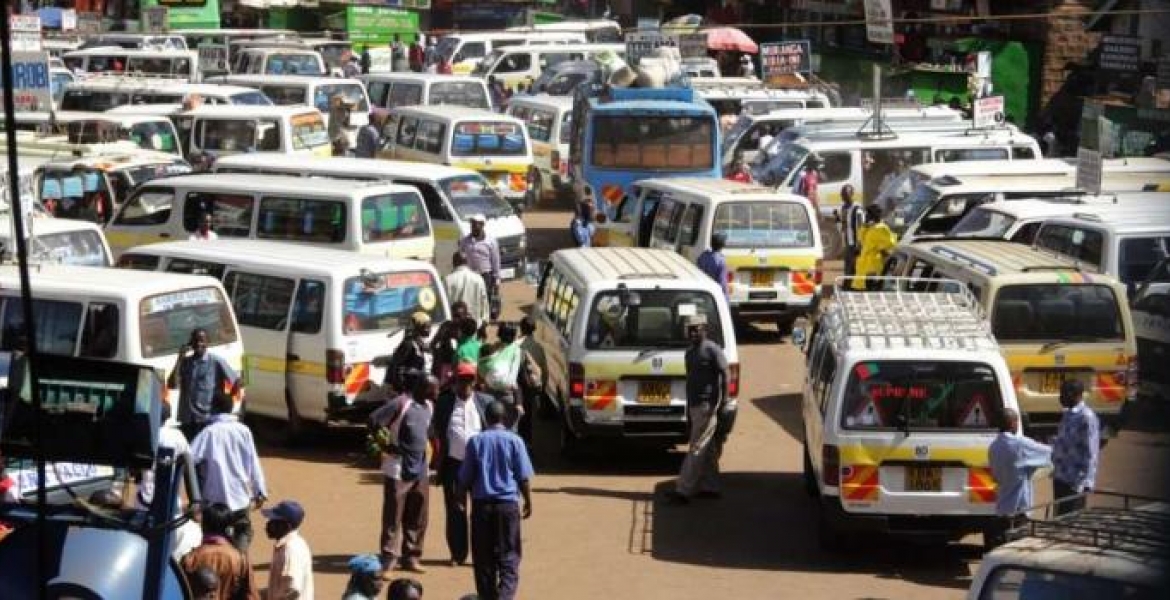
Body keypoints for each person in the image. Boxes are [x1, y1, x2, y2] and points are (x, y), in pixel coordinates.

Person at [458, 401, 534, 600]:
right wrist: (528, 501)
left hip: (482, 507)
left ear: (486, 418)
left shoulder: (475, 442)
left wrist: (460, 498)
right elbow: (523, 477)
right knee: (509, 555)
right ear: (505, 418)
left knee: (483, 558)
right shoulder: (515, 441)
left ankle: (487, 596)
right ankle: (505, 596)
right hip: (507, 506)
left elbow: (465, 477)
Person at [371, 376, 437, 575]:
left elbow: (430, 434)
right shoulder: (401, 404)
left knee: (418, 516)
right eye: (434, 389)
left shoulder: (429, 407)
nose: (437, 392)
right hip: (398, 469)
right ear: (423, 388)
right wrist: (386, 445)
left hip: (421, 470)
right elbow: (373, 420)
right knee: (393, 517)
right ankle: (388, 561)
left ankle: (411, 557)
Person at [189, 392, 267, 553]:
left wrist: (194, 497)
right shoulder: (244, 431)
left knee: (211, 540)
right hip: (240, 498)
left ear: (214, 408)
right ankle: (240, 565)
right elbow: (253, 462)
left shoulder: (208, 433)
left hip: (214, 501)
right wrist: (260, 491)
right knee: (243, 533)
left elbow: (189, 459)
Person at [430, 362, 492, 566]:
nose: (465, 384)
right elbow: (435, 429)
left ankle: (481, 554)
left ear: (475, 381)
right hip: (454, 466)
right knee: (456, 511)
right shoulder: (444, 403)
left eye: (469, 380)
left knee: (481, 512)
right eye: (461, 380)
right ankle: (458, 554)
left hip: (479, 468)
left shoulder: (485, 402)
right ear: (454, 382)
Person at [669, 314, 730, 504]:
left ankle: (683, 490)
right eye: (690, 329)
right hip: (695, 407)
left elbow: (726, 374)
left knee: (696, 447)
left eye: (697, 328)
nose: (693, 332)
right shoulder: (690, 353)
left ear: (705, 329)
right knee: (708, 448)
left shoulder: (712, 349)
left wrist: (723, 402)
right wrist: (688, 410)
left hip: (707, 406)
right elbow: (690, 382)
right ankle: (711, 487)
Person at [987, 408, 1052, 548]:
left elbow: (996, 476)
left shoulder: (993, 447)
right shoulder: (1020, 445)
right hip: (1018, 515)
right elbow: (1049, 454)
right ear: (1012, 423)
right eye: (1016, 421)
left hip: (1001, 511)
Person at [167, 328, 241, 441]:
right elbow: (171, 384)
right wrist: (179, 359)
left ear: (207, 343)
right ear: (190, 343)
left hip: (207, 418)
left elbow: (238, 381)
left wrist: (227, 400)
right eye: (195, 341)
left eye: (202, 341)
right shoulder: (186, 362)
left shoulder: (216, 361)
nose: (198, 344)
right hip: (187, 419)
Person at [180, 502, 261, 600]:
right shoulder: (240, 558)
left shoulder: (190, 558)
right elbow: (251, 595)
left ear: (204, 526)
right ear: (229, 529)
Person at [1051, 379, 1099, 516]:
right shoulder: (1067, 414)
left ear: (1073, 394)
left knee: (1071, 521)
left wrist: (1087, 482)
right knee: (1058, 519)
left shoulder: (1086, 418)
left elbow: (1091, 452)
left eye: (1063, 394)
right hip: (1061, 476)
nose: (1060, 397)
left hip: (1075, 482)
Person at [262, 500, 314, 600]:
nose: (267, 524)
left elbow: (293, 590)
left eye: (273, 521)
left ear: (286, 526)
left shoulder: (290, 550)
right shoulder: (292, 543)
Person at [459, 215, 502, 321]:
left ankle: (484, 319)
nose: (473, 227)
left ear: (482, 225)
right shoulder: (465, 241)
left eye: (475, 224)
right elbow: (461, 256)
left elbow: (495, 260)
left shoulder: (491, 241)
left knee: (484, 298)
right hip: (470, 275)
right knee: (471, 297)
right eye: (472, 224)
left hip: (485, 275)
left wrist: (497, 279)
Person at [480, 323, 523, 427]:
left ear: (499, 334)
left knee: (489, 426)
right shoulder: (516, 351)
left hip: (489, 392)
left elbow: (482, 367)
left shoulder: (490, 349)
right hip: (507, 394)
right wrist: (519, 402)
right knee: (510, 429)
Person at [381, 312, 433, 393]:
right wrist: (403, 390)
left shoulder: (422, 343)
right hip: (407, 389)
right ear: (418, 327)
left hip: (418, 387)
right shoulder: (408, 344)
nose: (429, 330)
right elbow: (398, 368)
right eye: (426, 327)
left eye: (430, 326)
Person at [851, 204, 897, 291]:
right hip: (864, 266)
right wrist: (865, 225)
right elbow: (861, 239)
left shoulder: (881, 229)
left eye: (868, 214)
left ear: (874, 215)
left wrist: (882, 258)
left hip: (872, 268)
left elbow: (888, 248)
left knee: (870, 292)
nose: (866, 216)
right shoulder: (871, 227)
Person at [516, 317, 545, 447]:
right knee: (529, 420)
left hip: (519, 388)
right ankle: (528, 446)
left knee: (519, 420)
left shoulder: (517, 345)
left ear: (521, 328)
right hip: (532, 389)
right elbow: (545, 371)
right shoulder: (539, 348)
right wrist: (541, 390)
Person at [445, 252, 490, 327]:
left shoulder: (447, 280)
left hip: (455, 326)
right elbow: (484, 301)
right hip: (475, 324)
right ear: (467, 262)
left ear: (454, 263)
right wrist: (485, 320)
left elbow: (445, 304)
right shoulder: (478, 278)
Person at [431, 301, 469, 386]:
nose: (456, 319)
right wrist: (438, 354)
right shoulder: (446, 326)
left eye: (459, 316)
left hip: (463, 367)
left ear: (465, 315)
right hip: (446, 365)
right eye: (454, 315)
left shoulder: (468, 329)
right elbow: (433, 344)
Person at [837, 184, 864, 277]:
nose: (843, 197)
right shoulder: (843, 207)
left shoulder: (857, 208)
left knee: (854, 264)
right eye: (842, 194)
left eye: (846, 194)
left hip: (855, 242)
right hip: (847, 241)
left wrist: (859, 243)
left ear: (852, 194)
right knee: (847, 264)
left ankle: (851, 284)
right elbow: (843, 225)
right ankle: (847, 283)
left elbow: (861, 226)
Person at [696, 233, 729, 298]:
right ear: (722, 245)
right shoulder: (721, 261)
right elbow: (722, 282)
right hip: (713, 294)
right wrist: (725, 298)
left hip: (702, 291)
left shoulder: (703, 256)